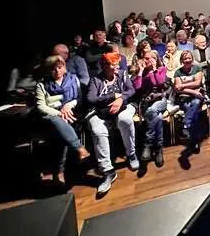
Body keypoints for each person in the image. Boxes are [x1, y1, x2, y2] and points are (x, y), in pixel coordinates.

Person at [85, 52, 137, 194]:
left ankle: (131, 154)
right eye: (114, 64)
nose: (117, 67)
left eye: (117, 63)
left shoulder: (122, 74)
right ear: (105, 66)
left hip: (123, 106)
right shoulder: (96, 79)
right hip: (101, 111)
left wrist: (120, 99)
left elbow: (131, 90)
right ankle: (107, 171)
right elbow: (91, 99)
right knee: (98, 130)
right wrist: (112, 96)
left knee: (125, 120)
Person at [34, 55, 90, 183]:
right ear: (48, 70)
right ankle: (79, 148)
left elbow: (78, 98)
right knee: (56, 121)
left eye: (60, 67)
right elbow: (41, 106)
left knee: (61, 132)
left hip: (71, 114)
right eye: (53, 69)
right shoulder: (42, 85)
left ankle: (59, 171)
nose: (57, 71)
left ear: (64, 67)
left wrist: (68, 105)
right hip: (51, 116)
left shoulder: (73, 79)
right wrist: (59, 113)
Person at [132, 49, 171, 167]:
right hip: (146, 102)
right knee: (157, 117)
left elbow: (160, 83)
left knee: (152, 110)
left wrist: (154, 70)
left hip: (160, 100)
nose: (147, 60)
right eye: (146, 58)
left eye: (150, 58)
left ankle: (147, 144)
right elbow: (137, 87)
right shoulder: (140, 72)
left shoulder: (161, 69)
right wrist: (141, 71)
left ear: (155, 59)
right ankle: (158, 149)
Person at [173, 51, 205, 151]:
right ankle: (195, 140)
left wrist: (183, 85)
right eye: (185, 58)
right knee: (191, 111)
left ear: (192, 59)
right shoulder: (178, 72)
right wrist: (193, 91)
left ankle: (186, 125)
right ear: (182, 60)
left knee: (195, 103)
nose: (187, 60)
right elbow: (177, 89)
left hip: (197, 97)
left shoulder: (197, 68)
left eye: (189, 58)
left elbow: (197, 83)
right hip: (184, 97)